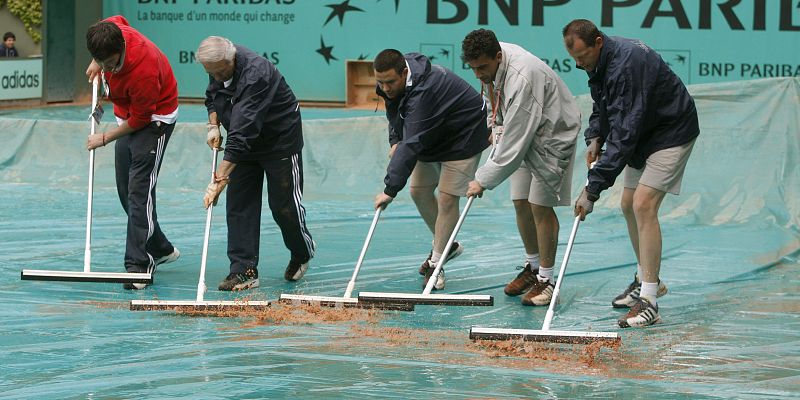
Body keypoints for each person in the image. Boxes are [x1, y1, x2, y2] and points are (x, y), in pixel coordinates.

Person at [562, 19, 699, 328]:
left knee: (643, 204)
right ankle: (647, 278)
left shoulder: (628, 63)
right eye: (576, 61)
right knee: (627, 204)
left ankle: (650, 301)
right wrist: (595, 136)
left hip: (670, 131)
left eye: (583, 57)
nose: (581, 65)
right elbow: (603, 105)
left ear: (598, 42)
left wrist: (592, 190)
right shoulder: (598, 62)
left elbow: (625, 133)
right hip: (644, 134)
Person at [461, 29, 581, 306]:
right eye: (473, 69)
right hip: (525, 132)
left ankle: (547, 280)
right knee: (520, 201)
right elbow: (495, 103)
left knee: (540, 205)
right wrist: (494, 128)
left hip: (553, 135)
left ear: (498, 57)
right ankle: (533, 267)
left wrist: (483, 179)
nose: (478, 74)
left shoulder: (522, 78)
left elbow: (516, 138)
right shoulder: (491, 65)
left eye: (482, 67)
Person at [198, 36, 315, 291]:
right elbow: (213, 95)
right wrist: (213, 124)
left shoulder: (256, 74)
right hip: (245, 142)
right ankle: (243, 270)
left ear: (231, 60)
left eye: (219, 72)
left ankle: (301, 250)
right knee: (239, 204)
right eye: (211, 73)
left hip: (279, 139)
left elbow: (242, 131)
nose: (216, 77)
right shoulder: (218, 66)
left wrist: (219, 179)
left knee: (283, 206)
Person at [373, 49, 490, 290]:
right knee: (419, 191)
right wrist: (395, 140)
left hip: (463, 136)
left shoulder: (424, 91)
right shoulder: (392, 83)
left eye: (390, 82)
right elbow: (395, 112)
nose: (385, 88)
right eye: (380, 82)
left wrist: (390, 190)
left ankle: (436, 262)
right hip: (434, 132)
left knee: (447, 198)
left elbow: (413, 141)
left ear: (404, 72)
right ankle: (449, 245)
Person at [85, 16, 180, 290]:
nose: (106, 68)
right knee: (126, 190)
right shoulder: (113, 32)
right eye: (101, 62)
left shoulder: (144, 69)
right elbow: (115, 19)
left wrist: (104, 138)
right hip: (124, 113)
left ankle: (139, 264)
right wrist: (97, 62)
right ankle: (160, 248)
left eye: (110, 63)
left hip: (155, 120)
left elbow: (140, 119)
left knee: (139, 192)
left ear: (121, 50)